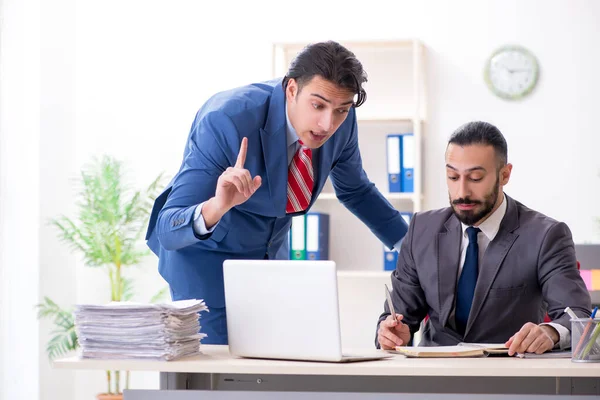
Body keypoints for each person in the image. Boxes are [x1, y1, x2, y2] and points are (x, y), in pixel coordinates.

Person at [146, 41, 409, 344]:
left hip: (270, 269)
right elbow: (168, 228)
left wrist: (413, 248)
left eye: (340, 109)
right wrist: (217, 206)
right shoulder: (226, 119)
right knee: (220, 383)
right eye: (318, 105)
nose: (328, 124)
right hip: (205, 269)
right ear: (292, 90)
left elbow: (356, 190)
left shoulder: (342, 120)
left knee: (275, 374)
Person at [376, 121, 591, 356]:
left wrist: (550, 332)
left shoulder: (546, 235)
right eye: (453, 177)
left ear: (505, 174)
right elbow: (398, 316)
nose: (462, 192)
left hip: (508, 375)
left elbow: (577, 316)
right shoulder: (421, 229)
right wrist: (391, 331)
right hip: (434, 375)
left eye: (476, 178)